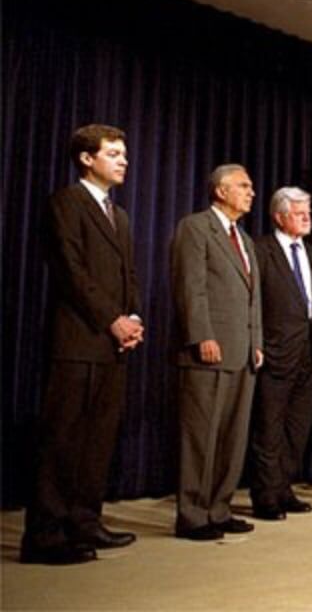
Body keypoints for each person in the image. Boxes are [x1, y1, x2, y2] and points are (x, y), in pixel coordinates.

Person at [20, 124, 144, 565]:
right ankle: (45, 536)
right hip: (76, 340)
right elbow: (72, 272)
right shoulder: (66, 203)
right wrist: (111, 319)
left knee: (98, 440)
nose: (123, 160)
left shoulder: (121, 214)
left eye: (124, 154)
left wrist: (133, 319)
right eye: (113, 153)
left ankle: (85, 523)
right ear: (87, 159)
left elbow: (129, 275)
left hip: (113, 344)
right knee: (62, 440)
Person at [171, 164, 263, 540]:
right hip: (209, 349)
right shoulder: (195, 227)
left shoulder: (244, 239)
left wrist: (257, 341)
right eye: (244, 186)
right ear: (221, 191)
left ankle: (220, 508)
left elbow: (253, 297)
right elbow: (189, 287)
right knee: (201, 437)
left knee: (232, 436)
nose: (251, 193)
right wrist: (201, 335)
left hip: (243, 352)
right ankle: (192, 514)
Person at [248, 187, 312, 520]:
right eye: (300, 213)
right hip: (275, 353)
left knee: (297, 430)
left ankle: (284, 488)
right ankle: (265, 495)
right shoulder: (259, 250)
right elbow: (254, 303)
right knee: (269, 429)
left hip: (310, 354)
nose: (308, 218)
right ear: (280, 216)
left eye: (309, 212)